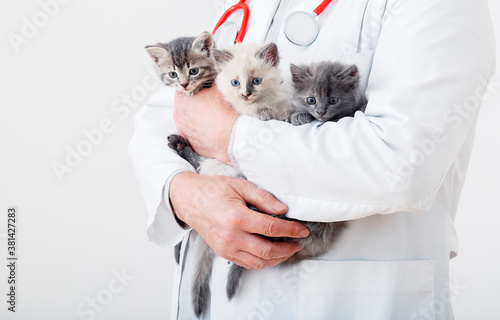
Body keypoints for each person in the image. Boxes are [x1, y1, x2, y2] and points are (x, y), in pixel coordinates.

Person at [129, 0, 496, 319]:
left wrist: (232, 137)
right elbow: (168, 112)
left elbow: (403, 160)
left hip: (347, 294)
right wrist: (182, 190)